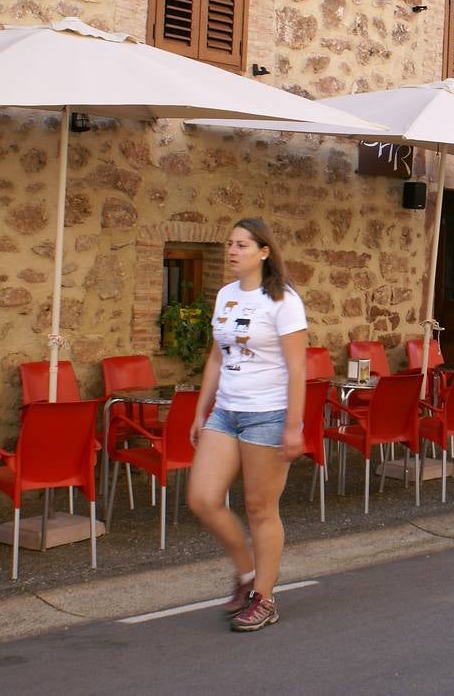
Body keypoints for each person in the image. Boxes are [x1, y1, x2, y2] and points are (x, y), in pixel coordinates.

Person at [187, 218, 307, 633]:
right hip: (226, 411)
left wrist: (293, 426)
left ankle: (265, 597)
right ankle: (246, 574)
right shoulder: (225, 295)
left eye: (241, 244)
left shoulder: (284, 301)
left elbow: (297, 367)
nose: (232, 251)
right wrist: (202, 410)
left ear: (264, 251)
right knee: (202, 498)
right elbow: (217, 357)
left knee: (259, 508)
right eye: (229, 244)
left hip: (268, 415)